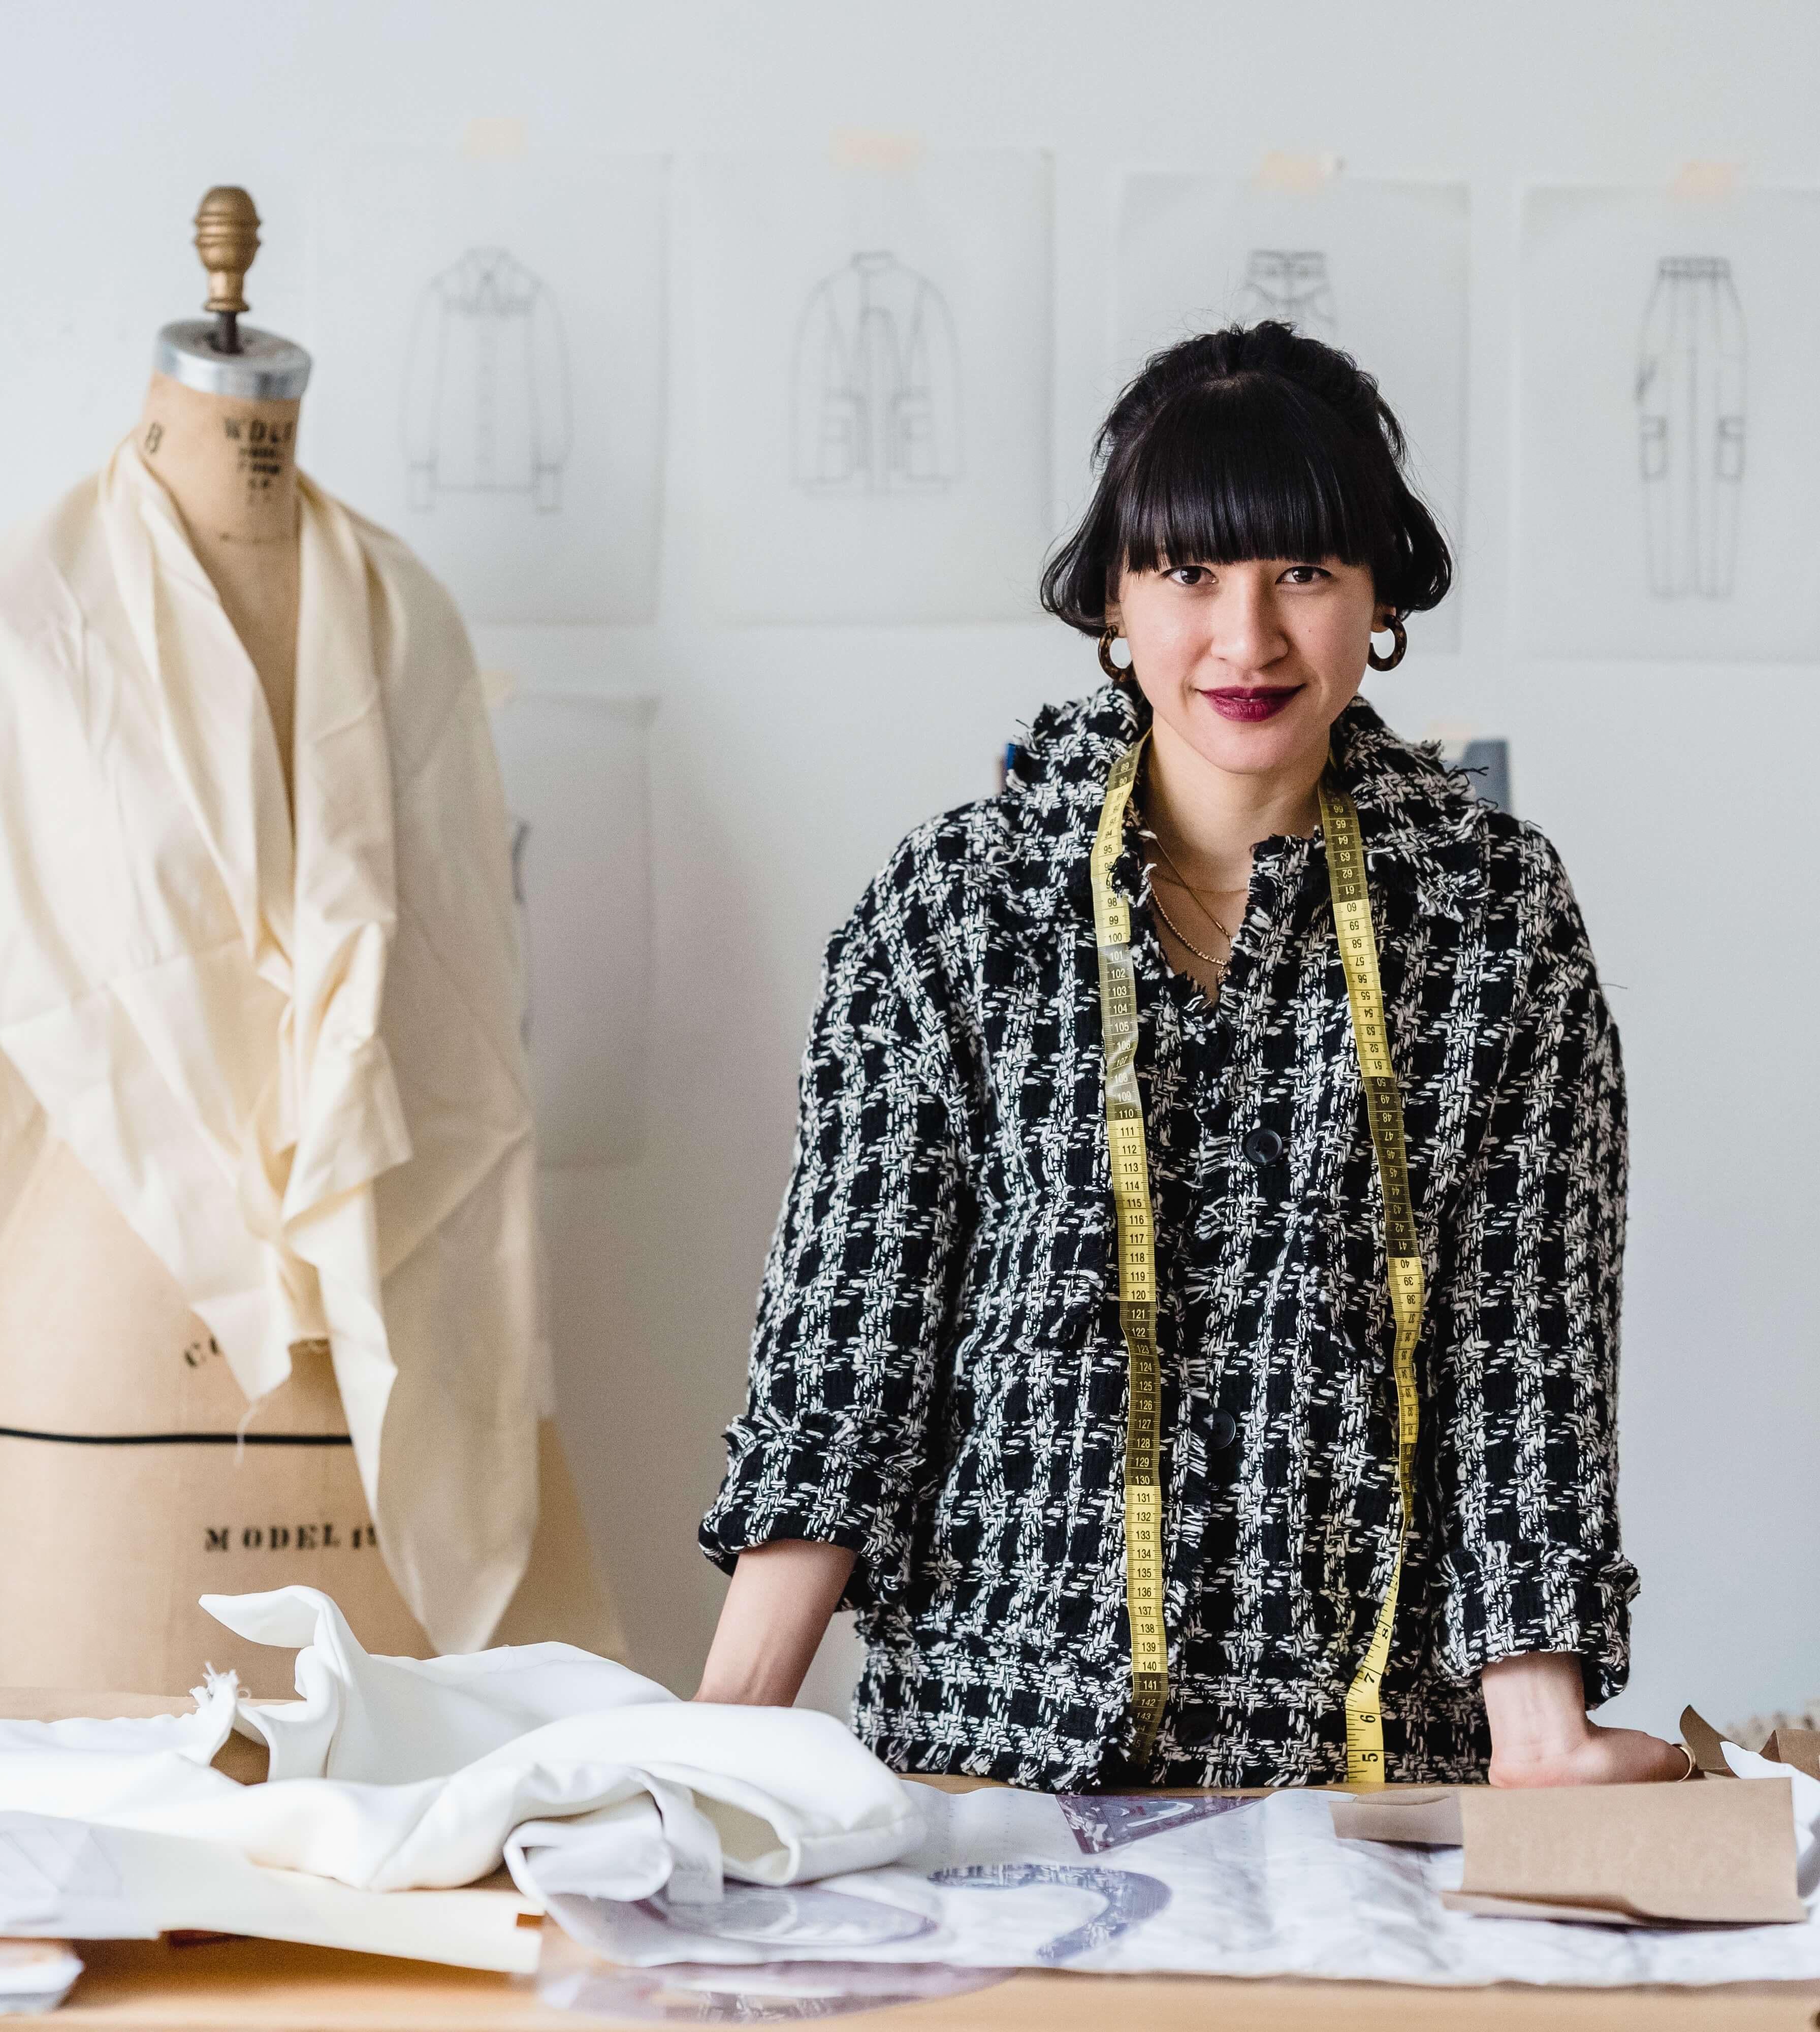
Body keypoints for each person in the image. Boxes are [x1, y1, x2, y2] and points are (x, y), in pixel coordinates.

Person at [693, 323, 1683, 1790]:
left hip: (1369, 1793)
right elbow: (848, 1364)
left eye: (1304, 571)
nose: (1247, 639)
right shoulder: (954, 912)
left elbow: (1524, 1357)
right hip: (984, 1772)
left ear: (1381, 597)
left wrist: (1541, 1738)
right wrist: (717, 1743)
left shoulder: (1493, 918)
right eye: (1189, 573)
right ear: (1112, 594)